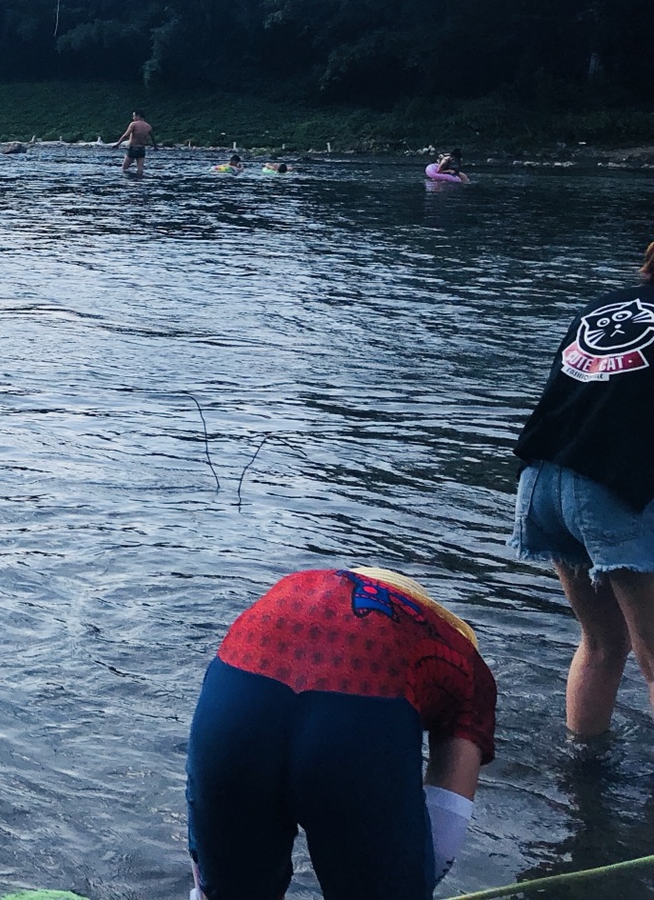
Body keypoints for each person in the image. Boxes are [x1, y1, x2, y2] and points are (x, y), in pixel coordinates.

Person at [186, 567, 493, 899]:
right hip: (363, 704)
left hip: (240, 678)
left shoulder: (292, 589)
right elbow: (444, 836)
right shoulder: (463, 661)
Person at [511, 240, 654, 735]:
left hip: (543, 479)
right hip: (613, 491)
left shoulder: (601, 307)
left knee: (601, 643)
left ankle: (583, 777)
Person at [117, 110, 152, 177]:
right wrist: (155, 147)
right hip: (142, 149)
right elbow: (152, 138)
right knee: (140, 170)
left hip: (133, 148)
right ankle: (140, 183)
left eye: (134, 116)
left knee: (124, 168)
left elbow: (125, 135)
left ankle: (128, 181)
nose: (133, 118)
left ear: (138, 116)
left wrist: (118, 144)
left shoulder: (133, 124)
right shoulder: (148, 126)